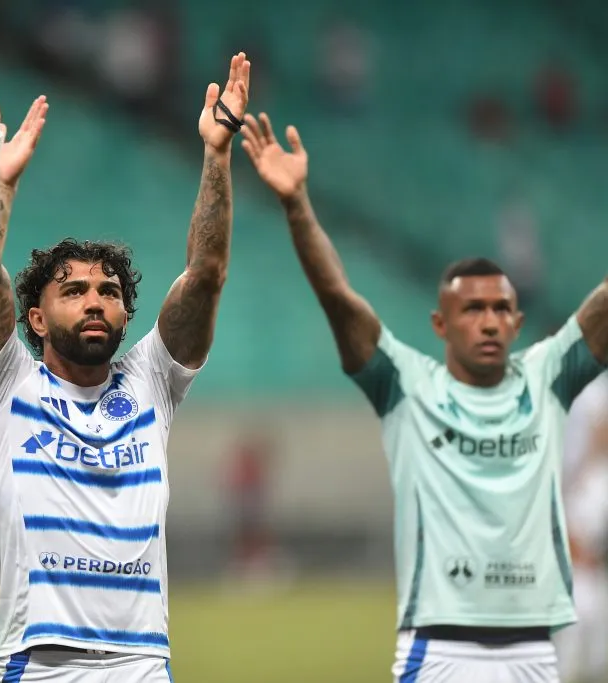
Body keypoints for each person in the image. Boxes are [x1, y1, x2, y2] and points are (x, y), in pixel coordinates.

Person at [239, 109, 607, 682]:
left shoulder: (549, 377)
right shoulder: (407, 387)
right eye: (471, 310)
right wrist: (297, 206)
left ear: (518, 322)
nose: (487, 322)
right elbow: (339, 297)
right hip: (439, 653)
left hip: (534, 655)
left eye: (500, 310)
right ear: (440, 324)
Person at [0, 39, 246, 682]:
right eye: (75, 290)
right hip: (40, 664)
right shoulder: (4, 382)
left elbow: (207, 273)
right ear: (34, 317)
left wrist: (216, 154)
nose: (94, 302)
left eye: (109, 292)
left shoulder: (152, 381)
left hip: (142, 663)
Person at [554, 374, 608, 683]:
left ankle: (579, 660)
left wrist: (580, 474)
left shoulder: (591, 387)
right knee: (585, 567)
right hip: (581, 484)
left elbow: (600, 432)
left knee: (582, 563)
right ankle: (589, 659)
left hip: (587, 487)